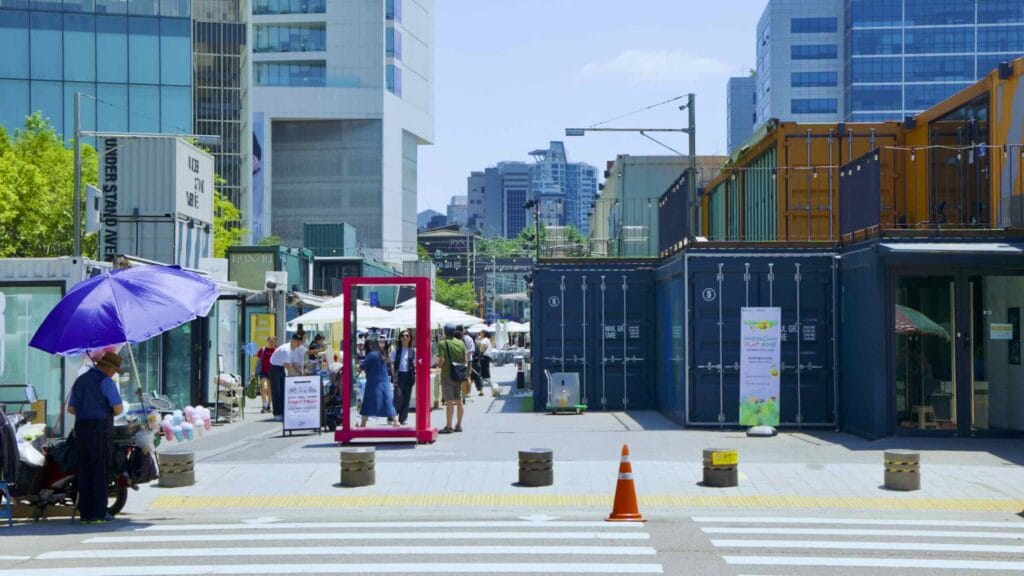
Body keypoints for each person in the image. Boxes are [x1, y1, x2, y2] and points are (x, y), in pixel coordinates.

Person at [67, 352, 124, 524]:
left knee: (84, 471)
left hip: (81, 430)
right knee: (99, 471)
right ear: (108, 368)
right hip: (99, 430)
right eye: (114, 370)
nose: (113, 374)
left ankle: (85, 514)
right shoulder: (106, 382)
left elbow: (71, 409)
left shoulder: (80, 380)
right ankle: (99, 513)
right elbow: (118, 408)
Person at [358, 335, 399, 427]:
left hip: (373, 383)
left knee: (367, 402)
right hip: (384, 381)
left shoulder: (371, 355)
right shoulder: (380, 353)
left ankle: (363, 423)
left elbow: (362, 367)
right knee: (387, 401)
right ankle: (396, 421)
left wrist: (358, 368)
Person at [268, 334, 307, 421]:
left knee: (283, 391)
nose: (299, 344)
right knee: (276, 391)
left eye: (300, 342)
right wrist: (295, 377)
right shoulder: (286, 349)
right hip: (274, 368)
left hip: (281, 368)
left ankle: (283, 412)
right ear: (292, 340)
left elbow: (294, 363)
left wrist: (302, 373)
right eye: (297, 342)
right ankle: (277, 413)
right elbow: (288, 366)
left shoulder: (295, 349)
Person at [436, 324, 467, 433]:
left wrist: (438, 365)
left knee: (449, 402)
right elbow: (464, 360)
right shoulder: (461, 343)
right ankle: (458, 425)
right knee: (459, 401)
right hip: (458, 375)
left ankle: (449, 426)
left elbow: (442, 360)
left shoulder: (442, 343)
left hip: (447, 375)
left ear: (445, 332)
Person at [390, 330, 416, 425]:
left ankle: (402, 418)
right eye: (403, 336)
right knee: (398, 396)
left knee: (406, 397)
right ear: (400, 338)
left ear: (410, 338)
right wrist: (394, 375)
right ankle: (392, 415)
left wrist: (415, 375)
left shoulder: (413, 351)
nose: (405, 337)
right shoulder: (396, 350)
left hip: (409, 376)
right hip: (399, 375)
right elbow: (392, 363)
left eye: (407, 336)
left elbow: (415, 364)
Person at [255, 336, 276, 413]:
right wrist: (254, 371)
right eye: (270, 341)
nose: (271, 343)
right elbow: (257, 361)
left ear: (275, 342)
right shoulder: (263, 350)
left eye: (273, 342)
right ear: (267, 342)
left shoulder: (276, 351)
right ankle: (264, 405)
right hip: (263, 371)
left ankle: (269, 405)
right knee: (264, 388)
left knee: (270, 390)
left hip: (272, 372)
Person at [457, 325, 477, 399]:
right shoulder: (457, 339)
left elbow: (472, 349)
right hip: (460, 360)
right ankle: (464, 392)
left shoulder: (468, 338)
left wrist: (465, 353)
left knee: (467, 376)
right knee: (462, 377)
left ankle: (468, 392)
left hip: (468, 360)